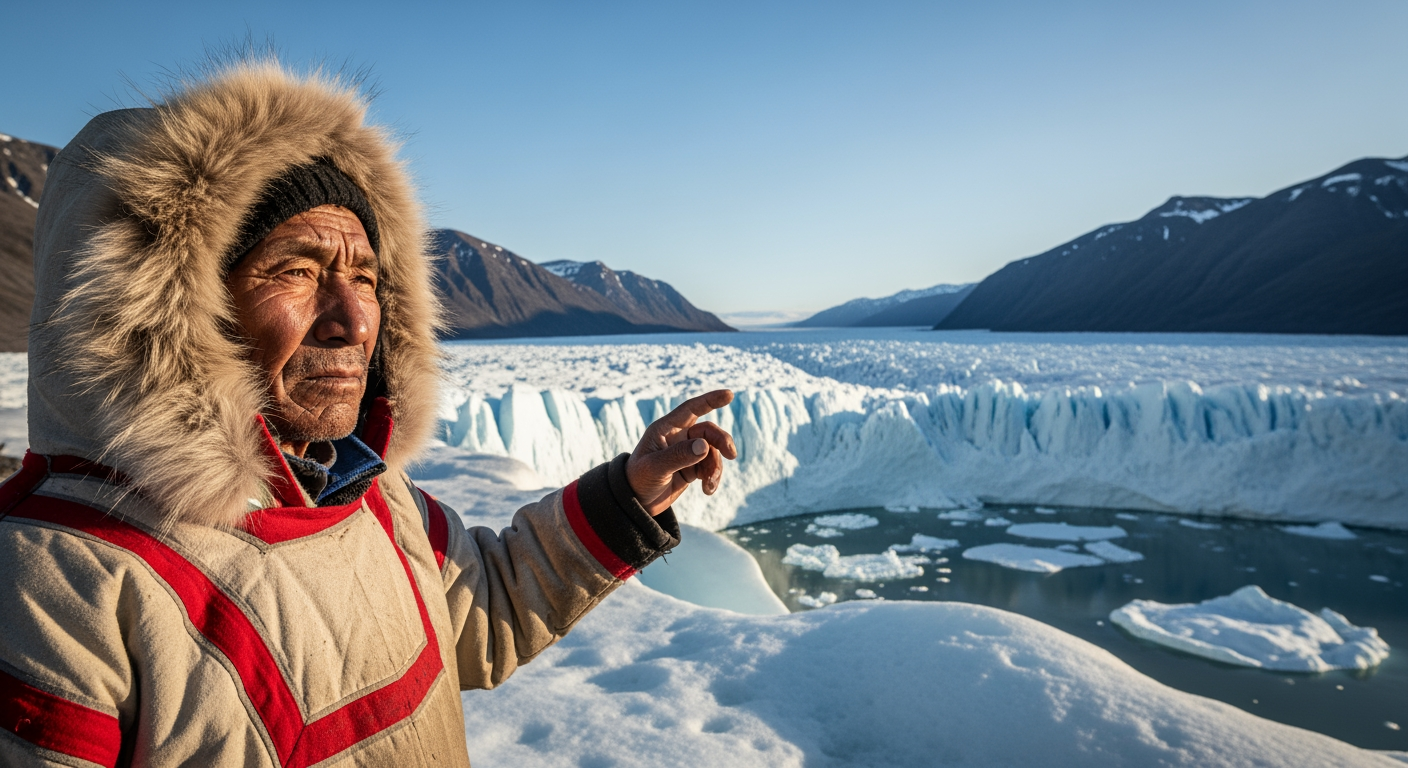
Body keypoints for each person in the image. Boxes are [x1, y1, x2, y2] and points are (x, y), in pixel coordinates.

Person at [0, 61, 736, 767]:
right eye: (296, 271)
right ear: (170, 312)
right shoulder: (58, 582)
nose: (353, 321)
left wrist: (628, 497)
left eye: (366, 277)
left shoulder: (364, 493)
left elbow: (479, 602)